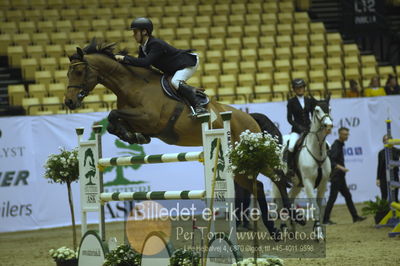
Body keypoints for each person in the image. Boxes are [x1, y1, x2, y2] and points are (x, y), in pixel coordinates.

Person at [114, 17, 207, 115]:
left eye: (135, 32)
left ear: (144, 32)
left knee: (175, 82)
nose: (133, 35)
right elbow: (141, 66)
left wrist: (124, 58)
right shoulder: (143, 47)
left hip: (186, 63)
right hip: (174, 68)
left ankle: (199, 106)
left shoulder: (155, 44)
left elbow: (145, 62)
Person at [323, 127, 366, 224]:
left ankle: (355, 217)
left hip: (340, 177)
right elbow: (331, 160)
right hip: (336, 176)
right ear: (340, 134)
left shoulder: (340, 145)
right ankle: (325, 219)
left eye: (347, 134)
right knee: (332, 198)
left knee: (347, 196)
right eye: (345, 134)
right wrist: (341, 168)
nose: (346, 136)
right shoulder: (336, 145)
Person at [286, 78, 317, 176]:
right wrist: (299, 127)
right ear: (294, 90)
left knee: (325, 144)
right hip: (297, 131)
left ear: (304, 88)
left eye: (301, 87)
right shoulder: (291, 102)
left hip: (309, 130)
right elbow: (289, 119)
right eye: (297, 88)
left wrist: (312, 126)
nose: (300, 89)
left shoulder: (309, 100)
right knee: (291, 146)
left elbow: (313, 116)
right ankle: (290, 168)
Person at [376, 134, 400, 202]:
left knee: (395, 195)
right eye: (385, 140)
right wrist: (378, 178)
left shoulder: (398, 151)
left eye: (388, 139)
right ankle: (384, 212)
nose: (386, 141)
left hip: (394, 175)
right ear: (383, 142)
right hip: (383, 177)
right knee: (384, 196)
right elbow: (379, 166)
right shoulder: (381, 153)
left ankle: (396, 211)